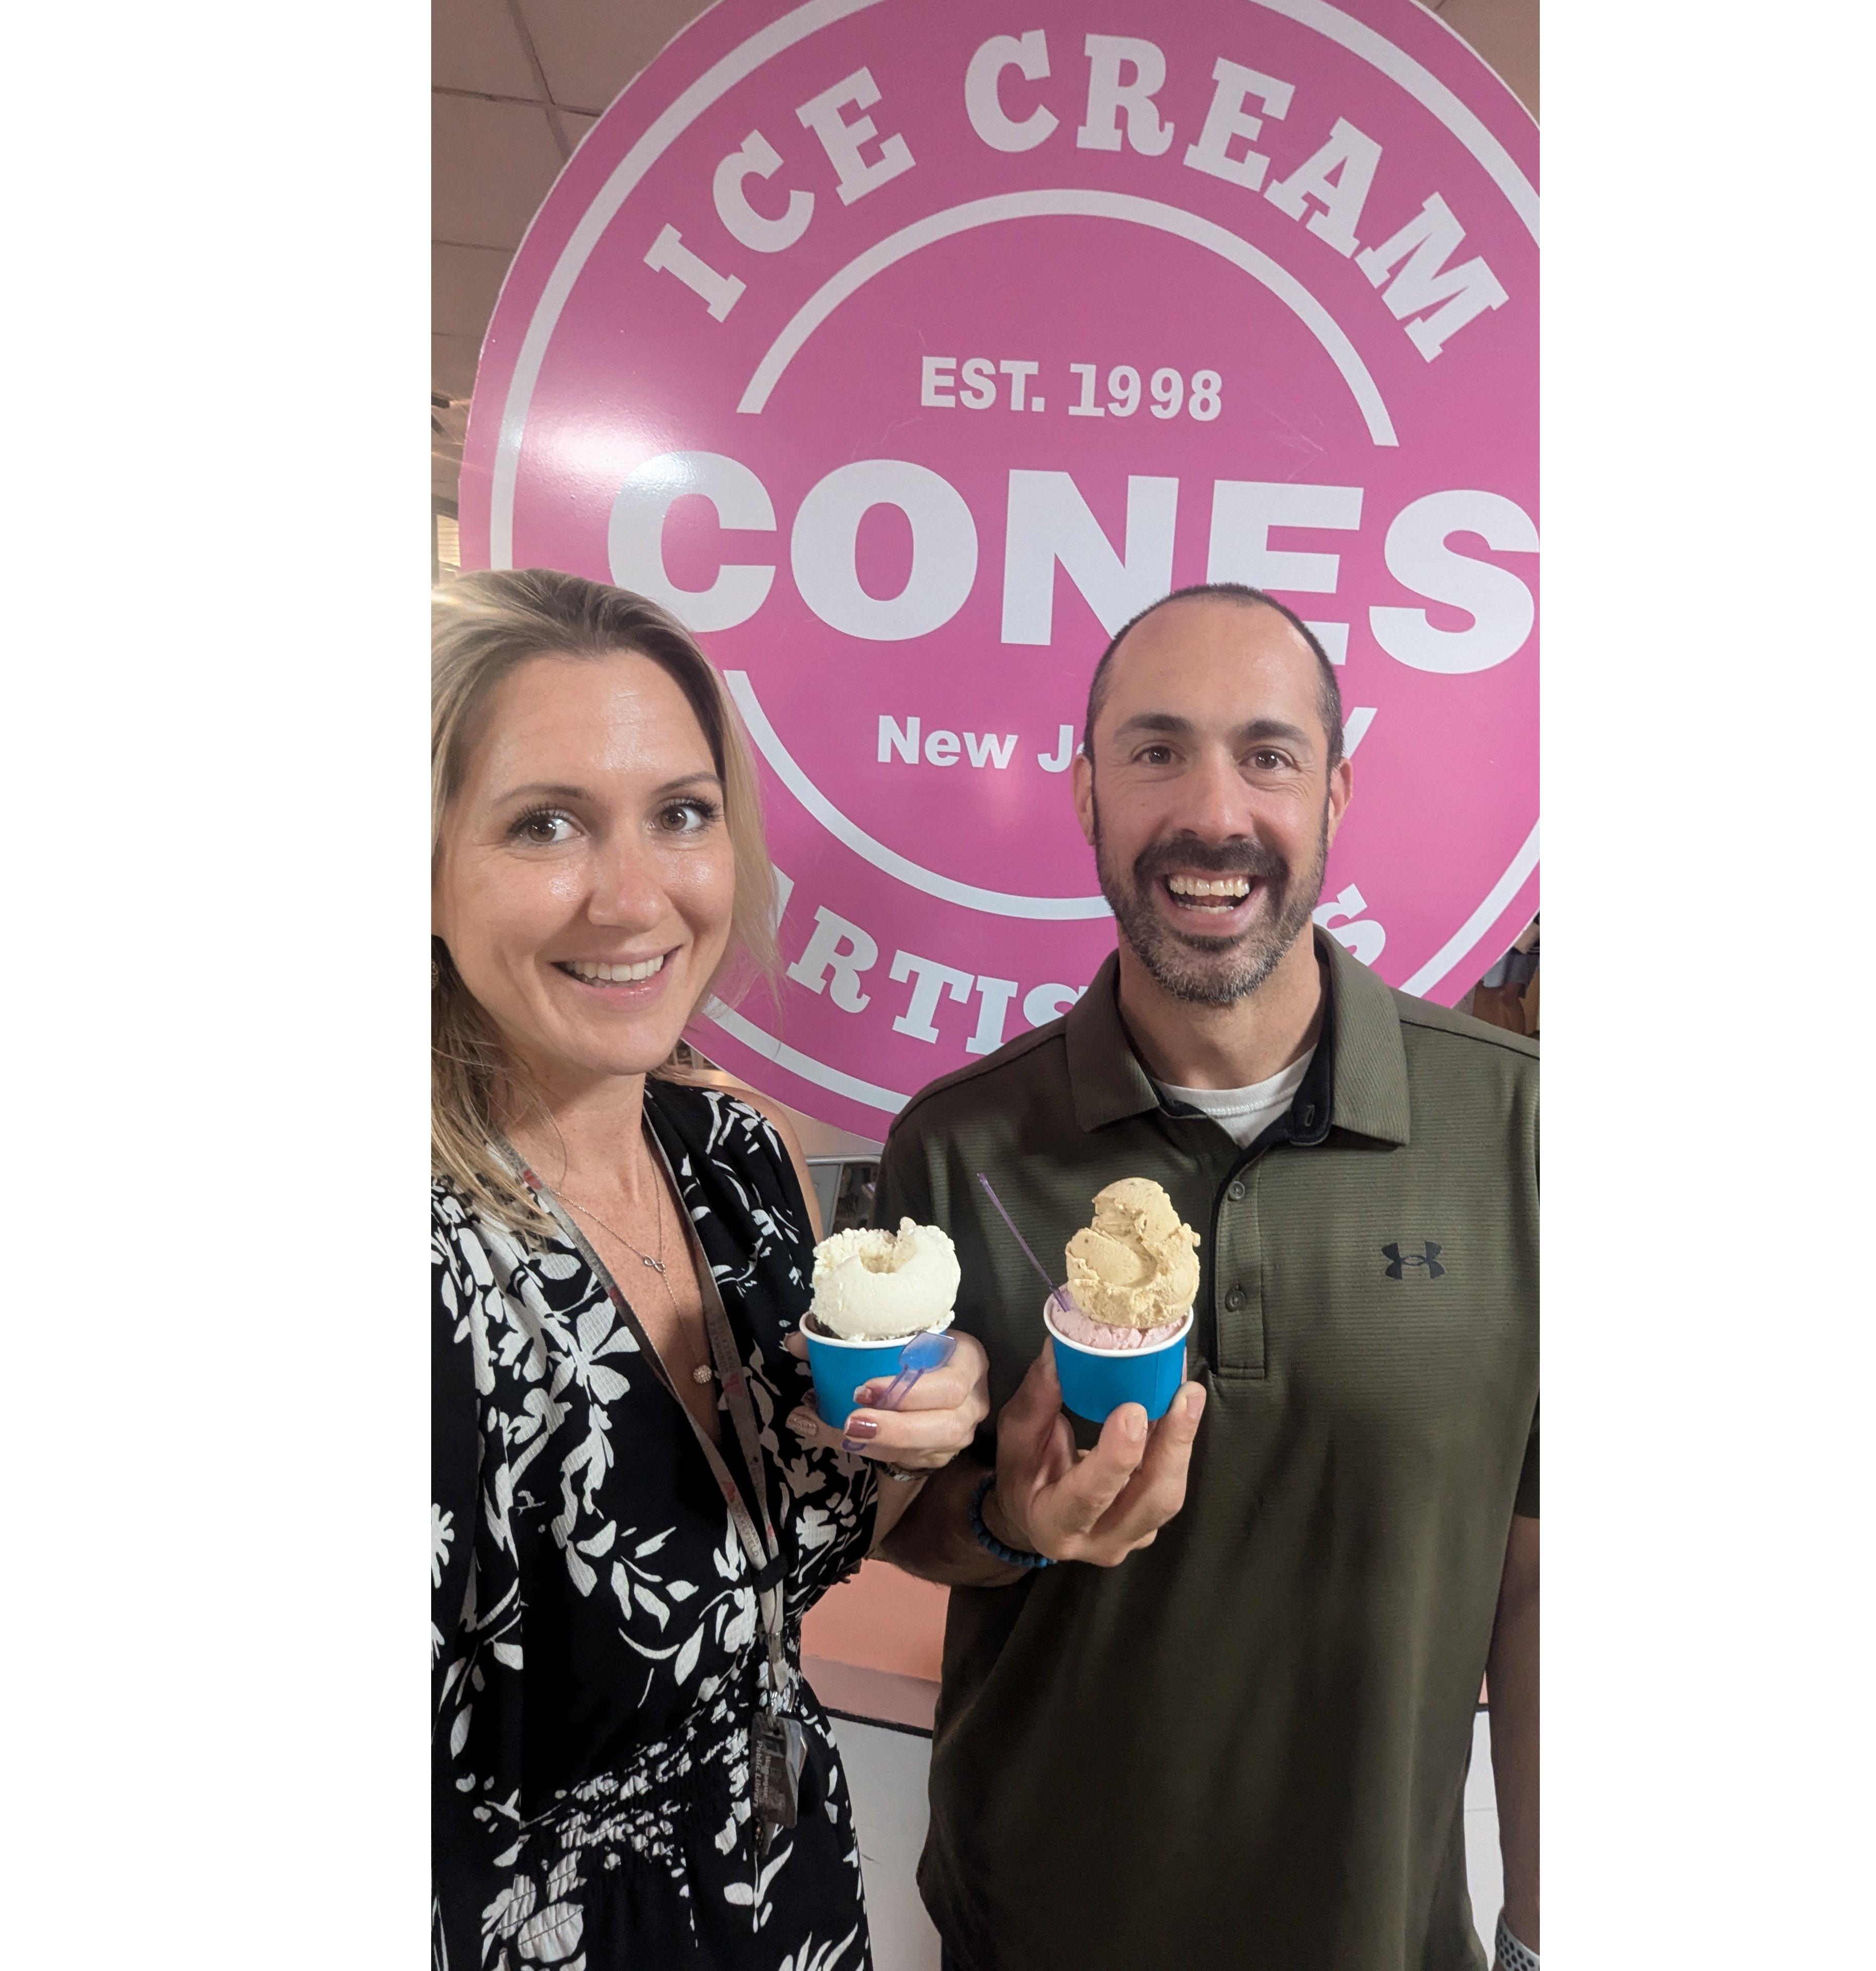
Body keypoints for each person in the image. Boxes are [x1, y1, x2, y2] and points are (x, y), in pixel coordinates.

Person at [876, 583, 1539, 1971]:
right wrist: (1011, 1516)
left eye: (1269, 755)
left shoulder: (1523, 1128)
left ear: (1336, 794)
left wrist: (1546, 1926)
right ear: (1087, 794)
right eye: (1157, 751)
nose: (1213, 812)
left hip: (1380, 1934)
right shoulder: (958, 1142)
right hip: (1031, 1932)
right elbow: (904, 1527)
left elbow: (1546, 1575)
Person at [430, 568, 990, 1971]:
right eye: (546, 824)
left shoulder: (734, 1154)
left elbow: (790, 1557)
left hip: (791, 1906)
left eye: (681, 813)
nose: (635, 899)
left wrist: (934, 1413)